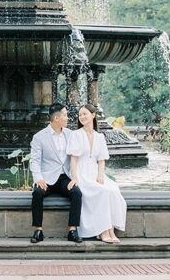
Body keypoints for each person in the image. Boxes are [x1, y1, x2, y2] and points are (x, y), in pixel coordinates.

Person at [68, 103, 127, 244]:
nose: (81, 117)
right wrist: (74, 178)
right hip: (81, 173)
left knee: (112, 190)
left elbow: (101, 160)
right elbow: (73, 160)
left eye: (85, 114)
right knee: (102, 192)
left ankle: (111, 229)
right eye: (80, 114)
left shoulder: (99, 136)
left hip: (95, 172)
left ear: (93, 115)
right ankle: (104, 231)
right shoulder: (76, 135)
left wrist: (100, 176)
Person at [29, 102, 83, 243]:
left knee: (77, 193)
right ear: (57, 118)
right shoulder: (39, 137)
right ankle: (38, 231)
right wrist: (38, 178)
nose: (67, 118)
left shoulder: (70, 134)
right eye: (65, 115)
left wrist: (75, 177)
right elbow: (34, 160)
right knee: (37, 193)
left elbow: (76, 157)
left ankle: (72, 230)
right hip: (46, 178)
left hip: (65, 177)